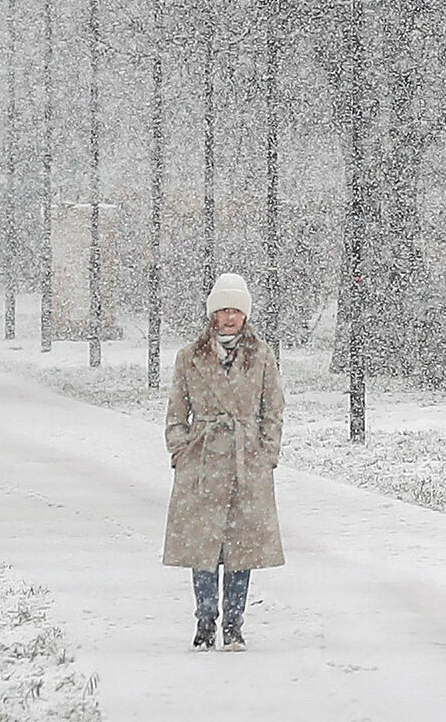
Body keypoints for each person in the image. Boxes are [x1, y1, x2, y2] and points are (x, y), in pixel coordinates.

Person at [163, 272, 286, 652]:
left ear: (245, 316)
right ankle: (204, 622)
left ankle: (233, 624)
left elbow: (274, 409)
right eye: (223, 310)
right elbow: (175, 411)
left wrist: (267, 453)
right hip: (201, 461)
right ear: (212, 315)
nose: (230, 318)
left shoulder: (261, 356)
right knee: (202, 546)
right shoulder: (190, 357)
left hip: (245, 461)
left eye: (236, 310)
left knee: (240, 548)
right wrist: (180, 451)